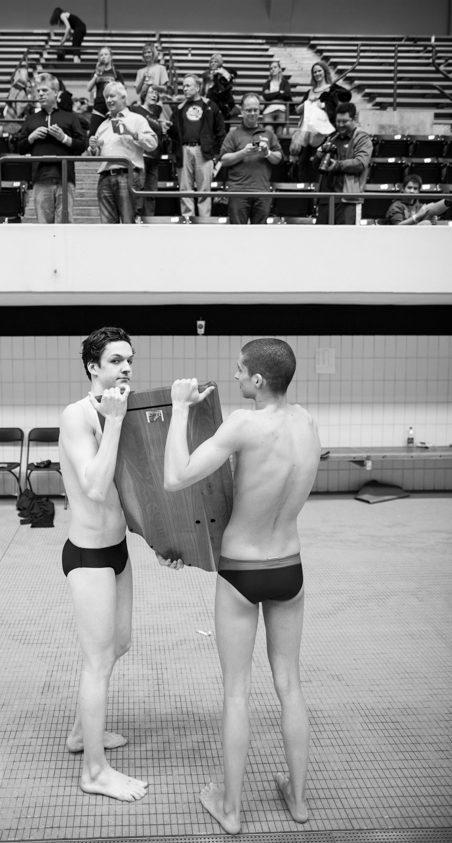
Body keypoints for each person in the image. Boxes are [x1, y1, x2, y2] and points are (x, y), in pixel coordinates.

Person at [163, 338, 321, 834]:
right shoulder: (308, 423)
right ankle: (296, 800)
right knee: (290, 684)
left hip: (242, 570)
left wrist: (178, 409)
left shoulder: (243, 424)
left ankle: (230, 808)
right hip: (289, 567)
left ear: (258, 380)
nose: (233, 378)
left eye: (239, 371)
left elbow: (175, 477)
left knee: (237, 692)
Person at [58, 326, 181, 802]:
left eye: (129, 359)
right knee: (97, 662)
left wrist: (161, 540)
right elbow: (92, 484)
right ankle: (94, 770)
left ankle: (78, 733)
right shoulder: (77, 415)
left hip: (118, 550)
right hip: (88, 554)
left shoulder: (120, 411)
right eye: (115, 360)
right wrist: (112, 421)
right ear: (93, 367)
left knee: (119, 644)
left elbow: (131, 491)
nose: (126, 367)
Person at [17, 73, 87, 223]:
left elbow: (82, 145)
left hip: (65, 177)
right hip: (40, 178)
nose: (40, 94)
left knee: (65, 225)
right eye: (39, 91)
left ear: (55, 93)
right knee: (44, 226)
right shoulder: (31, 119)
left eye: (45, 90)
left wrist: (64, 138)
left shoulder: (70, 117)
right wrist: (32, 137)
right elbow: (19, 147)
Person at [88, 82, 157, 224]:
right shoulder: (103, 125)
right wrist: (93, 148)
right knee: (107, 227)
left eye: (112, 96)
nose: (108, 100)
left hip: (128, 175)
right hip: (104, 177)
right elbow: (94, 154)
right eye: (106, 97)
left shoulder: (137, 119)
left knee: (128, 222)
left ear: (123, 98)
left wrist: (132, 133)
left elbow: (152, 144)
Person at [168, 74, 225, 219]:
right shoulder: (179, 108)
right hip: (184, 150)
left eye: (188, 86)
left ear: (197, 87)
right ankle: (188, 219)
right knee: (185, 189)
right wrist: (168, 128)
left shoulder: (210, 106)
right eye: (183, 86)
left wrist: (216, 153)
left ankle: (204, 220)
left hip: (204, 151)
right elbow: (174, 134)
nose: (184, 89)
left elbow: (221, 132)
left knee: (204, 189)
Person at [220, 93, 283, 225]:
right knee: (237, 234)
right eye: (248, 110)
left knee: (260, 236)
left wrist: (267, 153)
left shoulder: (269, 134)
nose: (252, 113)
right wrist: (243, 153)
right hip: (238, 192)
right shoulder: (233, 134)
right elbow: (224, 160)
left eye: (255, 110)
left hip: (262, 192)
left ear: (259, 111)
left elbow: (278, 158)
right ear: (242, 111)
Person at [315, 102, 373, 226]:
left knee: (347, 240)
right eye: (338, 121)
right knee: (321, 239)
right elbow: (317, 167)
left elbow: (360, 163)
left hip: (347, 199)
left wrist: (337, 165)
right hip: (326, 198)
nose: (340, 125)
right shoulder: (332, 139)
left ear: (354, 119)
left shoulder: (362, 138)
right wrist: (319, 154)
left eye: (344, 121)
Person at [294, 61, 350, 183]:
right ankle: (304, 189)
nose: (317, 74)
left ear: (324, 72)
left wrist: (323, 105)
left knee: (319, 161)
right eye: (315, 72)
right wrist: (307, 101)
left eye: (319, 71)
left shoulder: (332, 90)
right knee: (302, 161)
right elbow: (298, 110)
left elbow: (338, 108)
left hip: (324, 132)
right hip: (308, 132)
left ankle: (318, 187)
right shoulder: (310, 92)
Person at [129, 85, 164, 218]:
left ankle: (149, 218)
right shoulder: (136, 109)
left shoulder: (155, 116)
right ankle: (136, 218)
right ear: (144, 94)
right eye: (151, 92)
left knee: (151, 192)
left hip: (154, 158)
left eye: (156, 93)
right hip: (140, 156)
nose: (154, 95)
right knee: (139, 189)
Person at [86, 47, 125, 137]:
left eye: (106, 54)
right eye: (101, 55)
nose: (103, 56)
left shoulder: (116, 73)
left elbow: (122, 90)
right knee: (93, 133)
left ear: (111, 57)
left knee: (114, 133)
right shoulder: (96, 72)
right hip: (99, 106)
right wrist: (96, 75)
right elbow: (89, 88)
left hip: (112, 106)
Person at [202, 53, 237, 124]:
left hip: (222, 101)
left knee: (223, 123)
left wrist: (221, 76)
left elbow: (227, 86)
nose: (213, 63)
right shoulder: (206, 74)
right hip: (210, 99)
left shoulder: (224, 72)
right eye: (211, 62)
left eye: (215, 62)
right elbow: (204, 87)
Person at [261, 61, 292, 136]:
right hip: (268, 111)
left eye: (275, 67)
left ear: (279, 69)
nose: (273, 69)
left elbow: (287, 94)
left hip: (281, 110)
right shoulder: (267, 83)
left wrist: (271, 94)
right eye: (271, 68)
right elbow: (266, 96)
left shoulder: (285, 82)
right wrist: (279, 92)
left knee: (279, 134)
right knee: (267, 133)